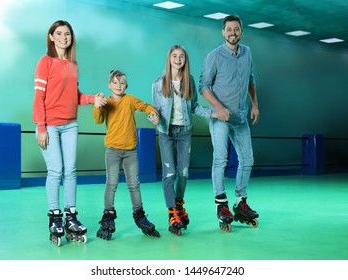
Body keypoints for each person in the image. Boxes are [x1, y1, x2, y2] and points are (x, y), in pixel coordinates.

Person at [33, 20, 106, 246]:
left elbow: (74, 96)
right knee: (56, 170)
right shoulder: (45, 62)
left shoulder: (72, 65)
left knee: (71, 170)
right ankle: (55, 218)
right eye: (59, 33)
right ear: (51, 37)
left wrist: (94, 98)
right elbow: (38, 99)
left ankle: (71, 217)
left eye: (68, 34)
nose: (64, 37)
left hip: (70, 124)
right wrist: (42, 127)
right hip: (50, 126)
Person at [199, 14, 260, 232]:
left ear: (241, 31)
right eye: (229, 30)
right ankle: (222, 205)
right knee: (221, 160)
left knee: (248, 159)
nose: (233, 33)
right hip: (221, 118)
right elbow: (203, 86)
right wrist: (218, 108)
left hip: (241, 116)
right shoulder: (214, 56)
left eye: (236, 29)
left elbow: (251, 78)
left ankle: (240, 202)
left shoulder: (247, 53)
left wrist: (255, 104)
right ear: (223, 32)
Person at [152, 45, 217, 236]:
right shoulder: (158, 83)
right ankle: (172, 212)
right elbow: (154, 109)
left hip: (185, 132)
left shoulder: (188, 81)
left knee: (184, 173)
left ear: (185, 60)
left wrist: (212, 113)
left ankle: (179, 204)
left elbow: (195, 106)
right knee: (169, 174)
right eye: (174, 56)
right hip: (166, 132)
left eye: (181, 56)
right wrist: (153, 117)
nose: (178, 59)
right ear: (169, 58)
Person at [93, 69, 160, 240]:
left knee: (134, 184)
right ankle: (108, 216)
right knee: (111, 184)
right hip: (112, 150)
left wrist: (153, 113)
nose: (118, 86)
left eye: (121, 83)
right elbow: (98, 120)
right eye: (115, 83)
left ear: (126, 85)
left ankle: (139, 215)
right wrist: (96, 105)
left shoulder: (130, 99)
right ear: (109, 85)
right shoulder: (106, 102)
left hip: (130, 151)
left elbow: (144, 106)